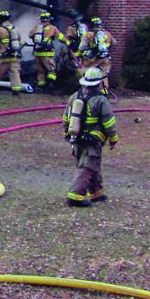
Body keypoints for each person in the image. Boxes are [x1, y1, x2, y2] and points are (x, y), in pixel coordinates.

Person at [63, 66, 118, 207]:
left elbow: (66, 117)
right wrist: (113, 138)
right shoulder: (101, 100)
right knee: (87, 166)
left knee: (93, 164)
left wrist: (67, 134)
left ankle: (96, 192)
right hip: (93, 139)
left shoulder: (74, 97)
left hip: (76, 137)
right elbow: (108, 121)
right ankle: (75, 195)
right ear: (99, 83)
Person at [29, 11, 69, 91]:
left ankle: (41, 85)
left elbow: (30, 35)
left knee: (40, 70)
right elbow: (60, 37)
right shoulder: (52, 28)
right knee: (51, 69)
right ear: (49, 20)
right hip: (47, 53)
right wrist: (68, 43)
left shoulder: (37, 27)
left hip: (37, 53)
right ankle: (51, 84)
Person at [0, 10, 23, 94]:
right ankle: (16, 90)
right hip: (14, 56)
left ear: (0, 20)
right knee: (15, 73)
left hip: (3, 57)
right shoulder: (16, 29)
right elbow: (20, 43)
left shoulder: (0, 30)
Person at [77, 16, 114, 94]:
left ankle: (88, 91)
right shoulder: (107, 34)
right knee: (104, 75)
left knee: (88, 73)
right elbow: (113, 43)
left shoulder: (88, 35)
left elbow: (81, 47)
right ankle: (104, 91)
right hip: (105, 58)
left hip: (92, 59)